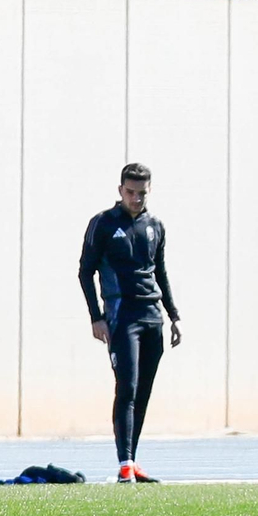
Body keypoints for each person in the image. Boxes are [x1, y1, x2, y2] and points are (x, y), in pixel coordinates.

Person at [78, 163, 182, 482]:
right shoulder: (103, 224)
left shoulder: (156, 226)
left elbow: (159, 272)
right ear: (120, 190)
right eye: (130, 192)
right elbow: (86, 271)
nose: (136, 199)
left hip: (153, 316)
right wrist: (97, 317)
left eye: (142, 193)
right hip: (122, 316)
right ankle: (124, 464)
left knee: (144, 391)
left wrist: (174, 315)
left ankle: (132, 460)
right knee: (128, 387)